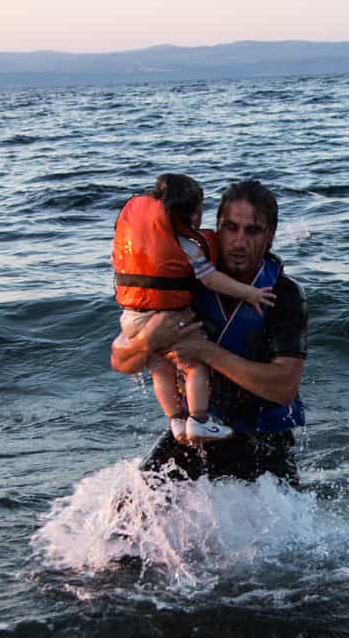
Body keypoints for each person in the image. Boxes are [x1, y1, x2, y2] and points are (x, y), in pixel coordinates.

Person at [111, 180, 308, 486]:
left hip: (262, 437)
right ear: (216, 228)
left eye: (252, 231)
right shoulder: (185, 283)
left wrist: (204, 351)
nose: (239, 242)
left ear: (269, 236)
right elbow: (121, 361)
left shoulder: (283, 295)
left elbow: (283, 388)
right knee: (128, 508)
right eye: (230, 228)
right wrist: (149, 340)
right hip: (197, 431)